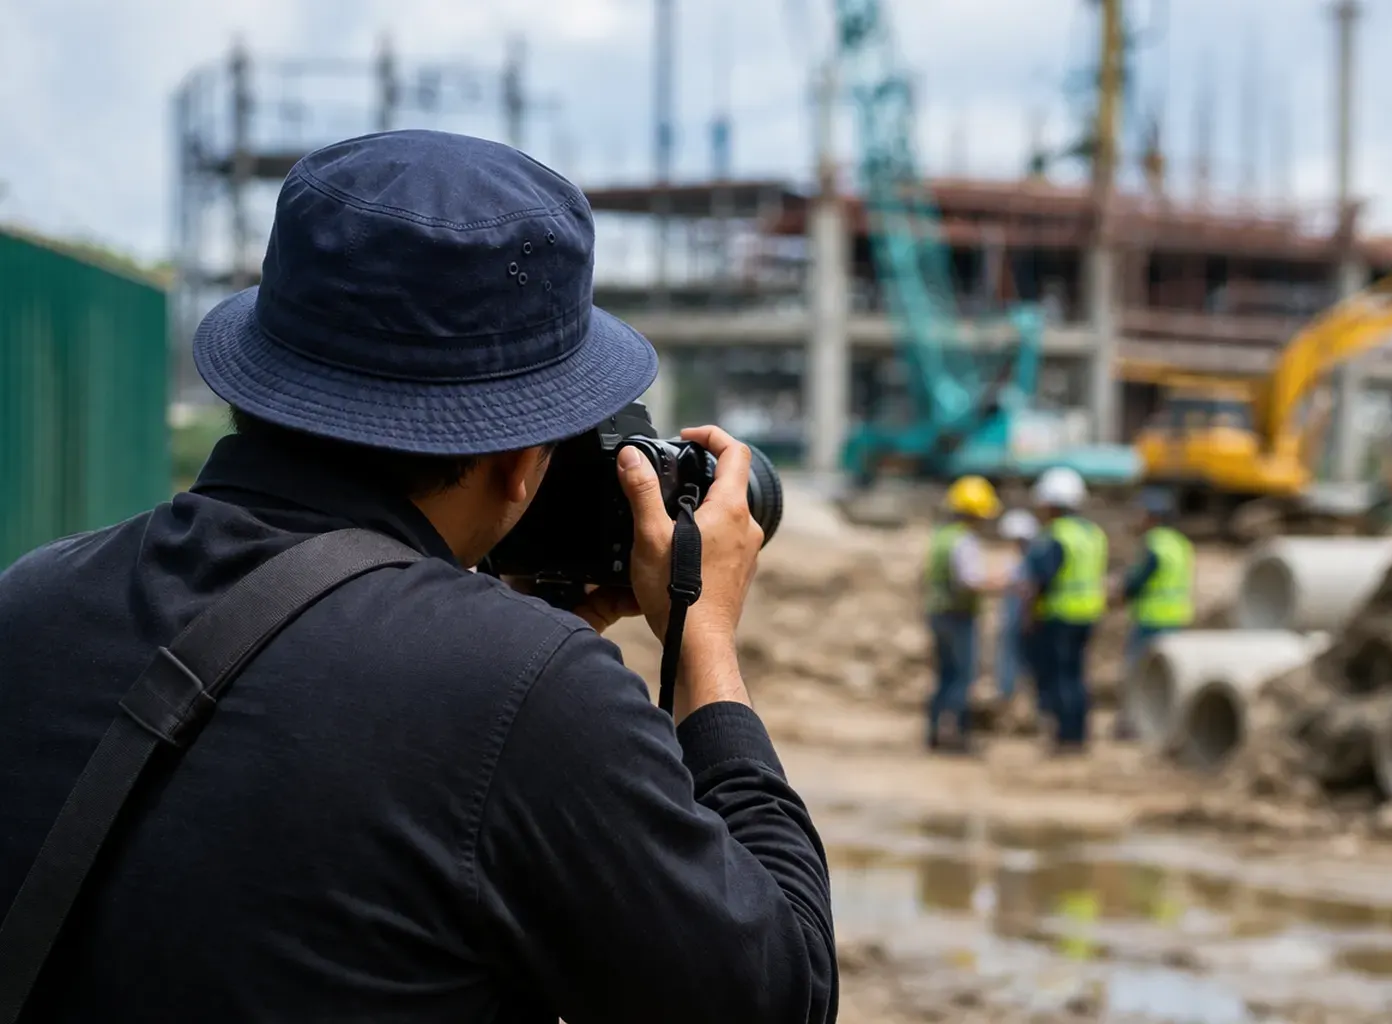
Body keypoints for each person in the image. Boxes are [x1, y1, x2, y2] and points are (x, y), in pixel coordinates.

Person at [0, 131, 836, 1023]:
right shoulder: (525, 698)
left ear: (262, 378)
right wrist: (700, 637)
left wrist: (506, 647)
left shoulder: (31, 600)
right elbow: (776, 997)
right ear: (523, 458)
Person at [1020, 467, 1107, 753]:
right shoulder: (1093, 533)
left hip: (1059, 615)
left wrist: (1029, 614)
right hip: (1088, 614)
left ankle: (1065, 737)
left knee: (1061, 677)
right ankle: (1079, 734)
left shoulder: (1056, 535)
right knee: (1078, 675)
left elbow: (1041, 579)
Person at [922, 475, 1003, 752]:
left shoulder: (942, 536)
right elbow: (969, 580)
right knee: (961, 677)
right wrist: (1000, 584)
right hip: (958, 615)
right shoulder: (964, 541)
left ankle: (934, 731)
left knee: (944, 675)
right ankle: (955, 735)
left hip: (938, 614)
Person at [1116, 486, 1196, 739]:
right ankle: (1165, 722)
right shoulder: (1181, 543)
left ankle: (1134, 724)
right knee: (1166, 674)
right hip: (1176, 617)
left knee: (1138, 672)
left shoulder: (1154, 544)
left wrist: (1120, 592)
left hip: (1152, 618)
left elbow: (1138, 581)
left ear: (1153, 516)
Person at [993, 508, 1039, 705]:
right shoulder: (1026, 558)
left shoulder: (1031, 559)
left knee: (1017, 658)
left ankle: (1013, 697)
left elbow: (1028, 589)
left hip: (1021, 616)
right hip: (1018, 615)